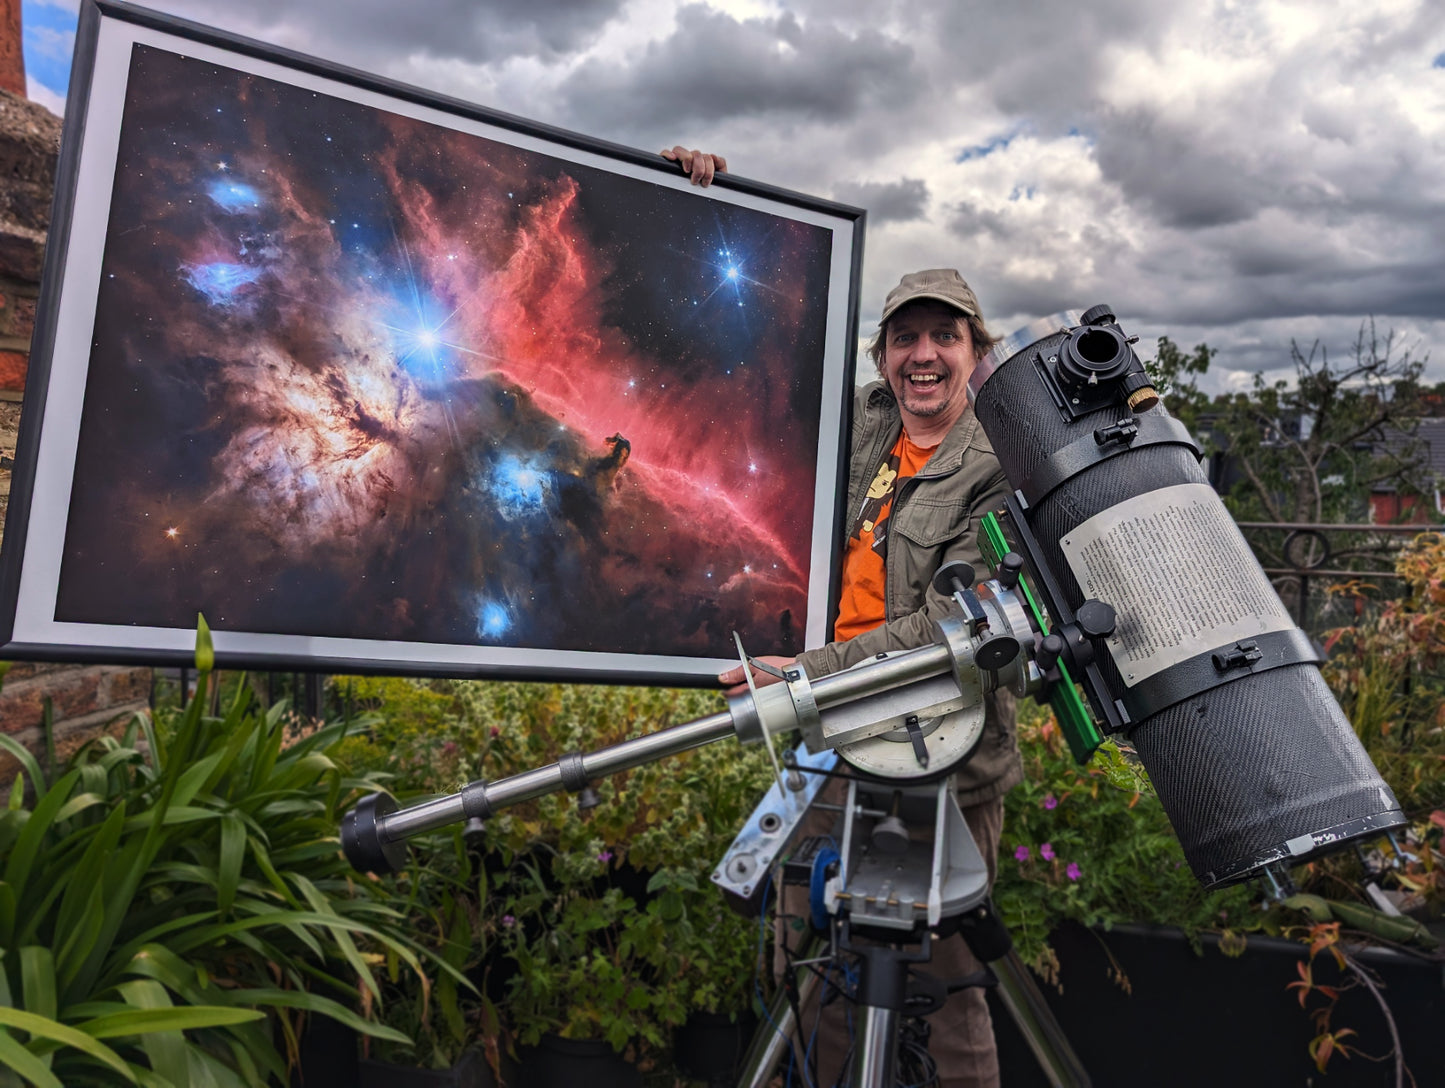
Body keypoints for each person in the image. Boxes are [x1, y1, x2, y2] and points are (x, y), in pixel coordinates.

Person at [717, 266, 1023, 1088]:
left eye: (944, 337)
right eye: (904, 338)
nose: (922, 355)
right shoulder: (861, 421)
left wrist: (805, 673)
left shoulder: (997, 465)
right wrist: (696, 191)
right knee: (812, 967)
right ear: (883, 355)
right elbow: (751, 364)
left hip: (936, 761)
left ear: (975, 351)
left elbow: (945, 630)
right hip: (831, 742)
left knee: (947, 985)